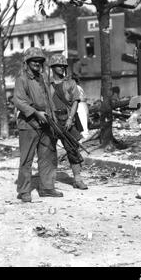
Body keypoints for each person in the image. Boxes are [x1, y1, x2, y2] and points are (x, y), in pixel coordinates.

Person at [13, 47, 63, 202]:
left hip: (45, 123)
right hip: (28, 124)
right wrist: (36, 113)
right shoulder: (22, 79)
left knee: (48, 155)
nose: (37, 63)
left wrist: (53, 117)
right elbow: (18, 101)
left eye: (40, 61)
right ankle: (24, 191)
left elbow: (48, 100)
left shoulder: (42, 78)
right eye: (33, 61)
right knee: (27, 159)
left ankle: (47, 188)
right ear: (27, 62)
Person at [49, 54, 88, 190]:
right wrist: (52, 119)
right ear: (52, 67)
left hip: (67, 119)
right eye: (58, 66)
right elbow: (46, 104)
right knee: (49, 151)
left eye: (63, 66)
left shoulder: (70, 83)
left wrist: (70, 119)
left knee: (73, 149)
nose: (61, 68)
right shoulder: (48, 85)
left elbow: (75, 102)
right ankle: (49, 181)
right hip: (52, 121)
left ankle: (77, 179)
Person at [72, 73, 90, 140]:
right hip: (81, 106)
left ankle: (84, 139)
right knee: (82, 125)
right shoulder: (78, 87)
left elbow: (81, 98)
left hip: (80, 107)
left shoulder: (76, 88)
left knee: (83, 124)